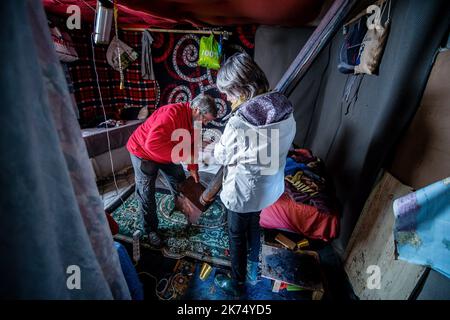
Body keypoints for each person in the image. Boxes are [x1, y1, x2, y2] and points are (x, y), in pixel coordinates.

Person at [213, 53, 296, 297]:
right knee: (255, 223)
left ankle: (237, 283)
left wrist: (219, 144)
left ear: (240, 88)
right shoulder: (285, 108)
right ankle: (254, 266)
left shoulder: (240, 122)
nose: (226, 99)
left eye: (228, 93)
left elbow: (222, 156)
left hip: (243, 190)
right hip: (268, 185)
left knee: (236, 234)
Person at [127, 93, 217, 247]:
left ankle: (187, 210)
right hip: (143, 152)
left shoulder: (196, 122)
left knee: (181, 181)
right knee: (146, 191)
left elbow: (193, 145)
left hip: (168, 151)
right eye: (206, 119)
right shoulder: (171, 114)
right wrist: (182, 156)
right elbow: (152, 145)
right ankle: (150, 230)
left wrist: (193, 167)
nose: (206, 123)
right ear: (196, 110)